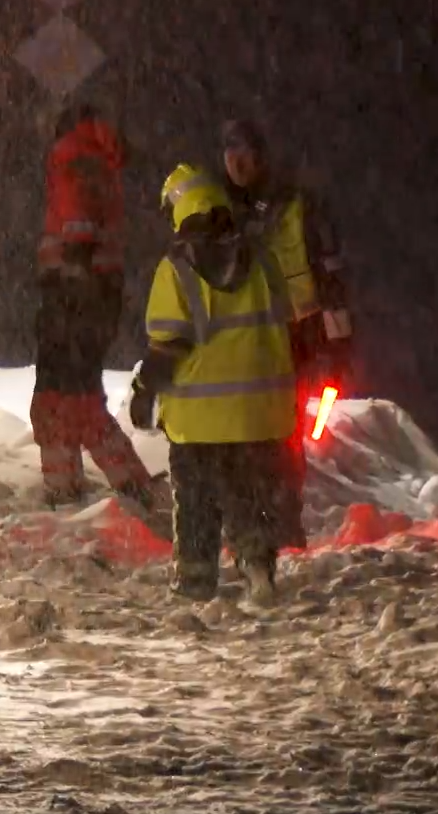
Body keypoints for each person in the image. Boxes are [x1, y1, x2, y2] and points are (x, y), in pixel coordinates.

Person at [128, 163, 308, 605]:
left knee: (196, 501)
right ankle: (258, 566)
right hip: (260, 413)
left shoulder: (177, 267)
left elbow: (170, 344)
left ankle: (194, 582)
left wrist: (145, 390)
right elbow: (287, 323)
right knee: (248, 491)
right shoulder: (263, 259)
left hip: (199, 416)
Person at [218, 118, 354, 511]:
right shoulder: (219, 208)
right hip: (243, 337)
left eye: (244, 152)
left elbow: (329, 275)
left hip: (293, 333)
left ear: (260, 156)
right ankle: (251, 511)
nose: (236, 161)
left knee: (283, 429)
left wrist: (339, 341)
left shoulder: (295, 205)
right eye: (230, 152)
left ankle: (281, 512)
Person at [30, 105, 160, 515]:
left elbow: (77, 223)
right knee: (78, 396)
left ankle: (68, 490)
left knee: (60, 397)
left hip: (73, 295)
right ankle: (125, 484)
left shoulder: (72, 156)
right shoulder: (100, 163)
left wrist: (72, 283)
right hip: (94, 296)